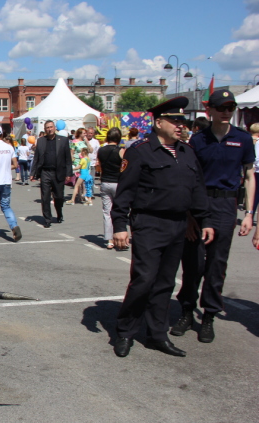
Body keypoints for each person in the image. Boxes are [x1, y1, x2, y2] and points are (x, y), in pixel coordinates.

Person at [111, 97, 214, 358]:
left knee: (165, 283)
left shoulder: (187, 152)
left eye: (183, 121)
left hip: (178, 224)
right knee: (144, 280)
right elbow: (125, 192)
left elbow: (198, 189)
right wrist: (120, 225)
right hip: (149, 223)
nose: (180, 126)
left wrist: (206, 220)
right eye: (175, 121)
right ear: (158, 123)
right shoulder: (141, 150)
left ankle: (157, 335)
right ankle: (125, 332)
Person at [171, 90, 256, 343]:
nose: (226, 111)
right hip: (199, 202)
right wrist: (188, 215)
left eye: (231, 107)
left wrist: (250, 214)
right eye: (221, 107)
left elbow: (250, 176)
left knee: (217, 265)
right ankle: (187, 311)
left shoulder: (243, 139)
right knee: (193, 262)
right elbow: (187, 178)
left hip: (227, 203)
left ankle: (208, 316)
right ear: (211, 110)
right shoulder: (198, 140)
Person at [31, 120, 72, 227]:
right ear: (45, 130)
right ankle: (47, 219)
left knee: (59, 197)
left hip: (58, 172)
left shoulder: (63, 140)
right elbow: (36, 158)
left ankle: (59, 213)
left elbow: (68, 159)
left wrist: (69, 173)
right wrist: (33, 172)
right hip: (45, 172)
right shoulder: (41, 141)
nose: (49, 129)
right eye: (47, 128)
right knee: (45, 197)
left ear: (55, 128)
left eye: (51, 127)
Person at [96, 127, 125, 249]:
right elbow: (125, 167)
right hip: (118, 182)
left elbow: (98, 165)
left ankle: (109, 240)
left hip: (105, 182)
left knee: (107, 212)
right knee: (119, 210)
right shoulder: (121, 151)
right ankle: (120, 235)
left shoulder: (101, 150)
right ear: (119, 138)